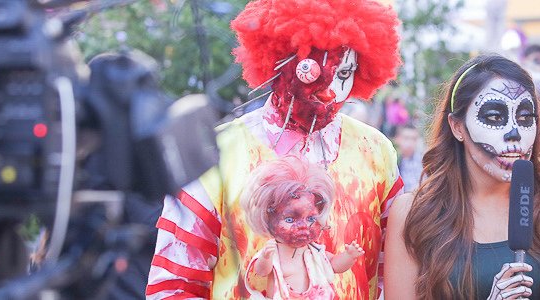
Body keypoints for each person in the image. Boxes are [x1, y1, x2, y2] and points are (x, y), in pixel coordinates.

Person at [146, 0, 403, 299]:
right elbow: (175, 281)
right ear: (279, 59)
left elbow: (393, 271)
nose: (332, 90)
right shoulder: (219, 150)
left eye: (344, 74)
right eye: (313, 71)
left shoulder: (375, 151)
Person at [384, 54, 540, 299]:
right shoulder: (413, 212)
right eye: (494, 117)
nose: (514, 133)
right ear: (457, 126)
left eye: (525, 118)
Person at [240, 157, 365, 299]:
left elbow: (335, 266)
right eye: (289, 219)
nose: (303, 227)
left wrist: (349, 256)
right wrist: (265, 257)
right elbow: (261, 271)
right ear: (267, 218)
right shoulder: (274, 253)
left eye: (311, 218)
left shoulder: (315, 252)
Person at [393, 125, 424, 193]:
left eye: (414, 139)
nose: (410, 143)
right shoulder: (393, 160)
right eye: (406, 138)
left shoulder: (423, 161)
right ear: (397, 139)